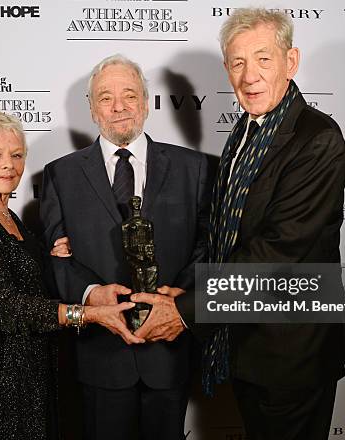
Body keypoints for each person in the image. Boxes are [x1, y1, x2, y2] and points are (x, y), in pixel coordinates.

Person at [185, 8, 345, 440]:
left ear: (290, 62)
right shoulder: (244, 131)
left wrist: (186, 310)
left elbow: (279, 252)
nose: (249, 75)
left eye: (263, 59)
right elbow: (222, 229)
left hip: (291, 356)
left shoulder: (318, 138)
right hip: (246, 345)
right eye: (238, 63)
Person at [0, 111, 141, 440]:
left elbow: (28, 280)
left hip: (21, 382)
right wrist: (89, 314)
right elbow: (4, 307)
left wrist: (55, 259)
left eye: (17, 155)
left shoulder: (9, 216)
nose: (7, 165)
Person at [40, 55, 211, 440]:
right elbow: (55, 258)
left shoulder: (195, 168)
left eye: (129, 95)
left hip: (169, 351)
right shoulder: (60, 175)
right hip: (101, 356)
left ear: (146, 103)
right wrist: (91, 293)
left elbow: (207, 246)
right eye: (105, 97)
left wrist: (177, 304)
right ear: (91, 108)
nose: (118, 107)